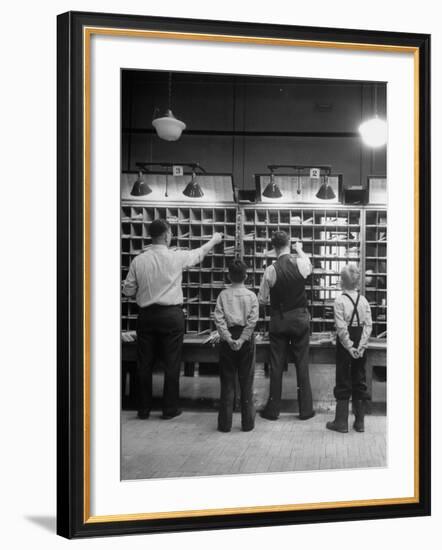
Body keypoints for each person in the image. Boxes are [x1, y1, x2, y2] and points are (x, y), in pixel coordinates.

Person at [122, 219, 223, 420]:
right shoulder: (176, 257)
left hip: (147, 316)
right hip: (171, 316)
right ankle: (169, 409)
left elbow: (128, 291)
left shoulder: (138, 261)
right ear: (167, 235)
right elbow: (198, 254)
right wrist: (213, 240)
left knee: (145, 364)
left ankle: (143, 409)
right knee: (171, 363)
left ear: (151, 236)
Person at [258, 231, 315, 421]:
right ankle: (306, 410)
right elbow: (309, 267)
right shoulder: (300, 263)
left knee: (276, 366)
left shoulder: (270, 270)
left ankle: (273, 410)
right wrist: (300, 250)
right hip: (300, 320)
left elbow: (262, 300)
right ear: (289, 243)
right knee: (302, 365)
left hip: (279, 322)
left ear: (273, 248)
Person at [213, 259, 259, 432]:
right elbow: (253, 321)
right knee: (246, 381)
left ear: (228, 275)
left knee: (227, 382)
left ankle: (225, 424)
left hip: (228, 340)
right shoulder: (251, 296)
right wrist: (242, 339)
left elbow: (218, 319)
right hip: (246, 341)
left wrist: (228, 338)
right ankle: (247, 423)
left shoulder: (223, 295)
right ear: (246, 276)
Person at [326, 264, 373, 433]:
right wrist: (361, 346)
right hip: (360, 340)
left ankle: (341, 422)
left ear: (342, 282)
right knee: (359, 379)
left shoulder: (339, 301)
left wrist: (349, 346)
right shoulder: (364, 300)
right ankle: (360, 423)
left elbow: (341, 327)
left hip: (346, 345)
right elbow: (368, 325)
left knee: (343, 379)